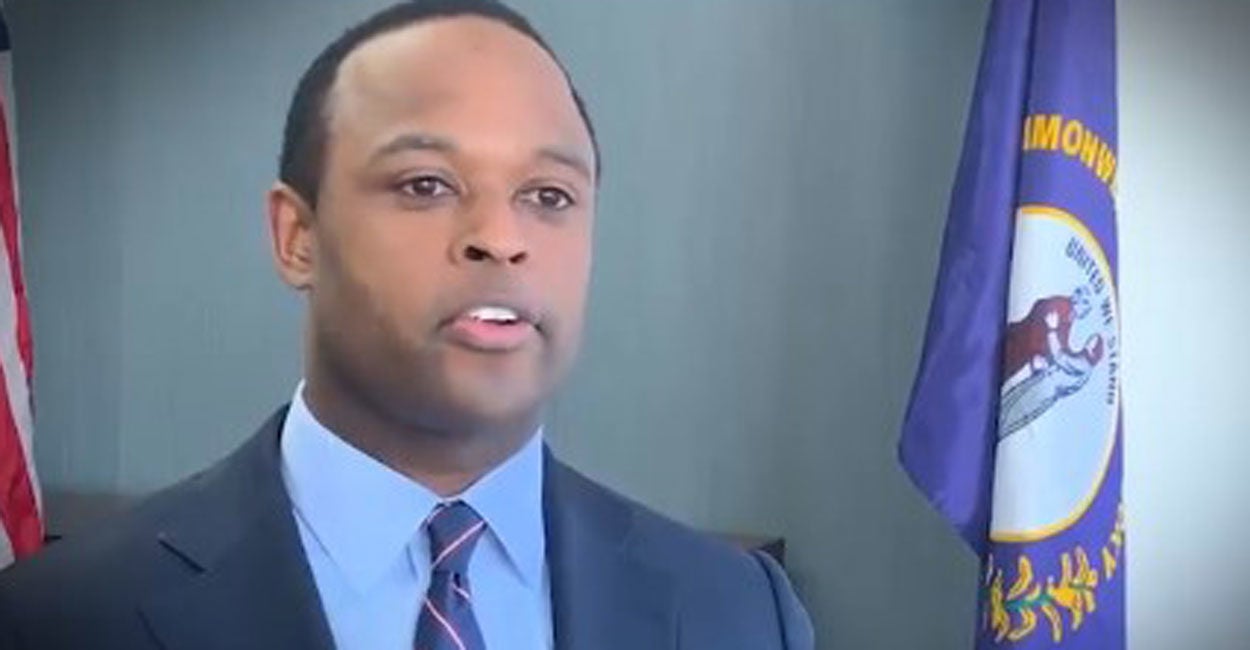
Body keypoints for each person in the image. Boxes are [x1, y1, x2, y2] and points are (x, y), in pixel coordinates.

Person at [0, 1, 813, 648]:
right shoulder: (58, 619)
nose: (500, 237)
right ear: (297, 237)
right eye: (426, 184)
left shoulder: (740, 613)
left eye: (549, 196)